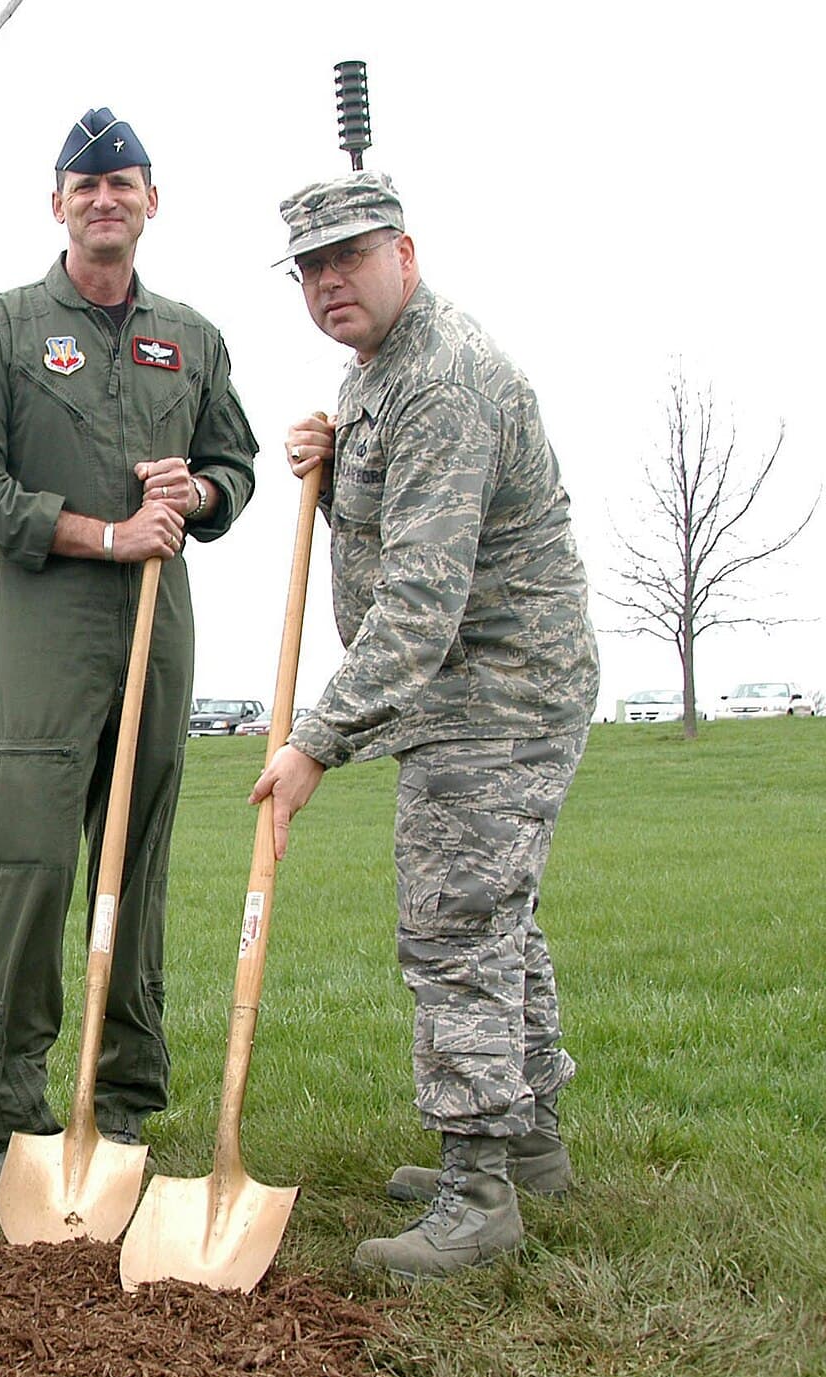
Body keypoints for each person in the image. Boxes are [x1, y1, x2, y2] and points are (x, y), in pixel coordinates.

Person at [255, 173, 599, 1279]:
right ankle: (529, 1140)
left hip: (495, 687)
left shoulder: (445, 382)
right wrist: (338, 449)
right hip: (467, 687)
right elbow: (385, 507)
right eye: (309, 268)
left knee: (456, 923)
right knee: (499, 915)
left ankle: (478, 1194)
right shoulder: (383, 374)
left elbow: (420, 604)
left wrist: (317, 740)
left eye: (347, 258)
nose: (327, 283)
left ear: (405, 251)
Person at [0, 108, 258, 1197]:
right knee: (29, 863)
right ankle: (14, 1112)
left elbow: (235, 465)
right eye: (86, 184)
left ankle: (123, 1102)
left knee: (140, 863)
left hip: (159, 632)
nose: (105, 198)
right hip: (44, 634)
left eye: (124, 182)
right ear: (57, 202)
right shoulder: (2, 331)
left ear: (152, 200)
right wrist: (103, 532)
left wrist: (199, 491)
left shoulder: (194, 338)